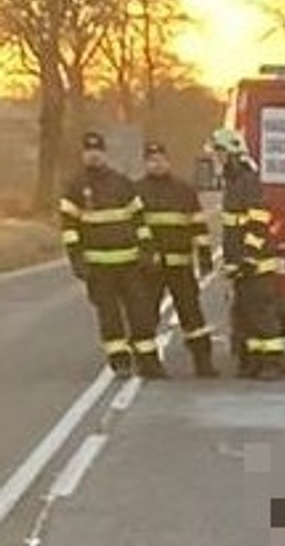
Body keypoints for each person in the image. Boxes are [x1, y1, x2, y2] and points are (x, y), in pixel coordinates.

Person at [57, 130, 162, 378]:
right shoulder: (74, 187)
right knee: (109, 316)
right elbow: (69, 229)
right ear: (83, 155)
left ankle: (148, 361)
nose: (93, 156)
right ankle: (120, 361)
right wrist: (77, 260)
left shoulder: (122, 183)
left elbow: (140, 221)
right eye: (89, 151)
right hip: (98, 267)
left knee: (141, 313)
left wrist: (147, 251)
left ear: (104, 153)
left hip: (130, 263)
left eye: (97, 151)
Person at [135, 139, 218, 376]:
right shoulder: (137, 192)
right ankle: (148, 364)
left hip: (181, 265)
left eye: (160, 159)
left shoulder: (184, 190)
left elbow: (198, 225)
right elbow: (133, 228)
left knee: (192, 315)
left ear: (167, 161)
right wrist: (144, 257)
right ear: (145, 164)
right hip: (150, 268)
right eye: (151, 161)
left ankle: (203, 363)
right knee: (146, 315)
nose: (156, 164)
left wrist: (204, 257)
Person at [214, 128, 285, 378]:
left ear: (232, 154)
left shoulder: (248, 182)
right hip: (242, 264)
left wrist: (248, 256)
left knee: (261, 314)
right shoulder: (233, 182)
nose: (217, 158)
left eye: (220, 152)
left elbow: (258, 222)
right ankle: (254, 362)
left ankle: (271, 363)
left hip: (256, 264)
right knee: (245, 315)